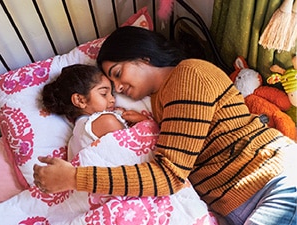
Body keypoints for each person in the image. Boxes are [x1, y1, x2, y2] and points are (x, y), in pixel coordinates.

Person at [33, 27, 297, 225]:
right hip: (243, 200)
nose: (119, 89)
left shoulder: (188, 75)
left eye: (117, 74)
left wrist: (74, 178)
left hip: (273, 181)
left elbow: (168, 176)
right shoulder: (161, 102)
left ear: (143, 57)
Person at [40, 64, 148, 161]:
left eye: (112, 94)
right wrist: (144, 123)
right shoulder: (107, 121)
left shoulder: (73, 142)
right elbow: (136, 156)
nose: (113, 99)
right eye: (104, 93)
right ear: (80, 100)